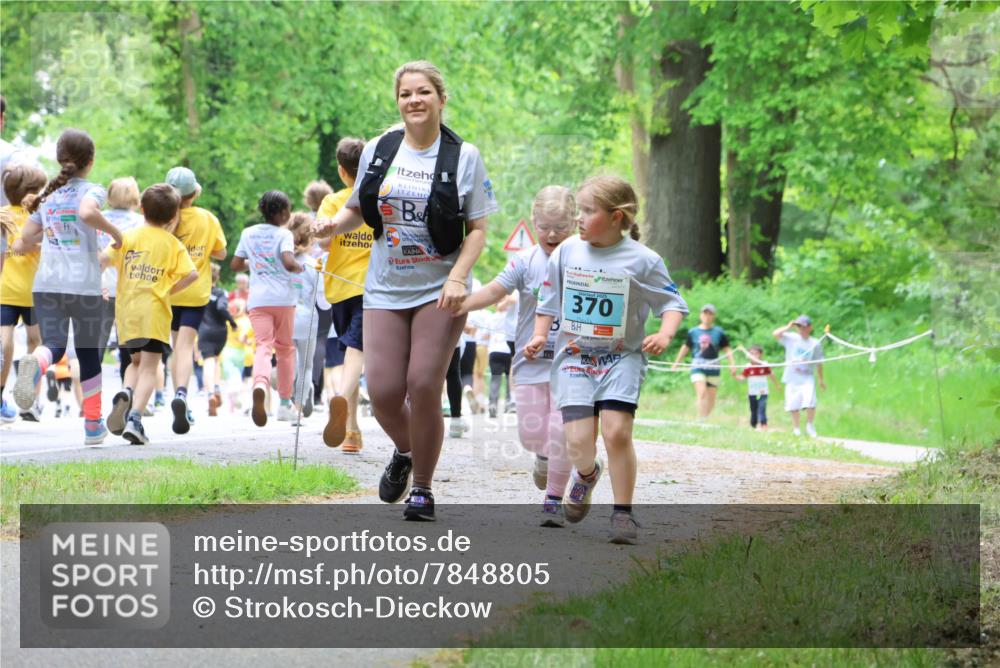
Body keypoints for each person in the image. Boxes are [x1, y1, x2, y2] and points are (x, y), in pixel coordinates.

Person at [314, 60, 498, 520]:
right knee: (383, 392)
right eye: (405, 94)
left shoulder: (463, 156)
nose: (414, 101)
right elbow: (358, 207)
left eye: (423, 92)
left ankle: (422, 488)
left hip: (441, 288)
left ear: (441, 98)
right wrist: (330, 226)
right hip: (385, 286)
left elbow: (477, 229)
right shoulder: (381, 148)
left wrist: (458, 276)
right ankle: (406, 451)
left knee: (422, 384)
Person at [525, 175, 688, 544]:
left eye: (587, 211)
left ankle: (623, 514)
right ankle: (585, 475)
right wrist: (539, 335)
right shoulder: (567, 251)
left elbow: (672, 303)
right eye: (578, 211)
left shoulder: (644, 260)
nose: (578, 218)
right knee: (579, 445)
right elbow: (548, 298)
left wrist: (664, 334)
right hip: (575, 360)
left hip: (621, 358)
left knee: (617, 432)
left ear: (617, 217)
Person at [458, 185, 577, 525]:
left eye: (560, 226)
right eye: (544, 226)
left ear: (574, 222)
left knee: (559, 430)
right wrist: (461, 304)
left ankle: (554, 498)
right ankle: (545, 457)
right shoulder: (525, 262)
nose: (552, 234)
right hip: (529, 363)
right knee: (531, 434)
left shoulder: (584, 259)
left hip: (571, 362)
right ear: (533, 222)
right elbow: (495, 290)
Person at [12, 129, 122, 445]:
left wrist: (45, 234)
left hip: (46, 285)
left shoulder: (49, 197)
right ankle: (92, 427)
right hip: (83, 287)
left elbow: (26, 238)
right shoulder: (93, 190)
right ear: (91, 160)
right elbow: (87, 212)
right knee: (88, 356)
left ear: (61, 159)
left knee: (55, 345)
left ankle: (38, 363)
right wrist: (115, 233)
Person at [103, 183, 198, 444]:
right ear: (172, 216)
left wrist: (99, 285)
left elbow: (103, 260)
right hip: (154, 311)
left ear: (142, 208)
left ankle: (125, 390)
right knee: (149, 367)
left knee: (134, 362)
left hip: (127, 310)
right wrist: (169, 289)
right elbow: (192, 274)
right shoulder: (172, 243)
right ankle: (134, 418)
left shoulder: (127, 237)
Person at [313, 137, 369, 453]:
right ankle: (342, 403)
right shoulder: (375, 200)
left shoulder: (333, 202)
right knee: (355, 353)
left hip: (340, 287)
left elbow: (323, 242)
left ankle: (352, 431)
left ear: (341, 170)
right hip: (369, 287)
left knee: (350, 350)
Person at [164, 166, 228, 434]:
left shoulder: (164, 219)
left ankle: (176, 394)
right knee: (186, 347)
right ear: (194, 193)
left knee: (175, 344)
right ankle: (182, 394)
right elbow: (222, 253)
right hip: (195, 293)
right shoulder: (207, 219)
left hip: (168, 292)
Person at [232, 190, 304, 427]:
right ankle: (284, 404)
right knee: (285, 350)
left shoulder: (248, 233)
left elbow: (235, 265)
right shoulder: (284, 234)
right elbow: (288, 261)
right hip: (283, 300)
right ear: (283, 213)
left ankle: (260, 385)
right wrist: (300, 268)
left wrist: (255, 262)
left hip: (258, 301)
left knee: (263, 346)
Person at [0, 164, 47, 422]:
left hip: (13, 290)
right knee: (30, 343)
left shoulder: (7, 215)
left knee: (11, 344)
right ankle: (28, 401)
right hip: (26, 291)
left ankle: (16, 399)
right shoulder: (36, 215)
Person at [98, 176, 144, 382]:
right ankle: (128, 392)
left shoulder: (98, 219)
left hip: (101, 287)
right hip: (131, 290)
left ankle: (89, 399)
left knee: (96, 345)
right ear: (136, 198)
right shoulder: (141, 223)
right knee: (130, 346)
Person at [288, 212, 325, 419]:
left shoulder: (282, 261)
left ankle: (289, 399)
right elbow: (324, 303)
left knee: (289, 361)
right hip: (307, 319)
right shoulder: (314, 265)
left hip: (285, 317)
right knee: (306, 365)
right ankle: (299, 405)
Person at [671, 304, 737, 418]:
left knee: (711, 397)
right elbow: (685, 347)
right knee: (702, 393)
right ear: (701, 315)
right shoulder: (693, 332)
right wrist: (677, 363)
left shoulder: (719, 332)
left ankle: (705, 418)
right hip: (698, 367)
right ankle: (700, 419)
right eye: (705, 313)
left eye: (710, 313)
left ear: (713, 316)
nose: (707, 316)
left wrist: (732, 364)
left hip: (714, 368)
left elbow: (727, 349)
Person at [773, 314, 825, 437]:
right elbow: (775, 334)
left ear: (810, 328)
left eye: (803, 327)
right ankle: (796, 428)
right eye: (799, 326)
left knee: (810, 400)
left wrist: (821, 379)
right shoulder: (791, 338)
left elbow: (819, 362)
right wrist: (788, 326)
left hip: (807, 376)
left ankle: (810, 425)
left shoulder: (815, 343)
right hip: (792, 376)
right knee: (793, 402)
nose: (801, 329)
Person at [198, 263, 238, 416]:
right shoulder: (221, 292)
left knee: (208, 361)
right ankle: (217, 388)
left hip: (204, 331)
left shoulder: (200, 293)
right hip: (220, 331)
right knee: (215, 360)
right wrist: (232, 323)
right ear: (217, 277)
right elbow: (222, 308)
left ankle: (210, 395)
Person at [736, 344, 779, 431]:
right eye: (751, 353)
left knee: (762, 407)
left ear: (760, 354)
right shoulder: (747, 367)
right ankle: (753, 424)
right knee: (753, 409)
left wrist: (776, 384)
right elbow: (742, 379)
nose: (753, 356)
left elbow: (771, 374)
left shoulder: (764, 364)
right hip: (752, 392)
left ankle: (763, 424)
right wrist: (734, 375)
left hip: (763, 392)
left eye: (756, 353)